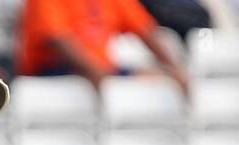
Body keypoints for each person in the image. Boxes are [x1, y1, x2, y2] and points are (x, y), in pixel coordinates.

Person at [16, 0, 192, 97]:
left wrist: (175, 69)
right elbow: (56, 39)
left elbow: (145, 29)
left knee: (164, 81)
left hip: (103, 71)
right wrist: (104, 77)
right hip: (56, 72)